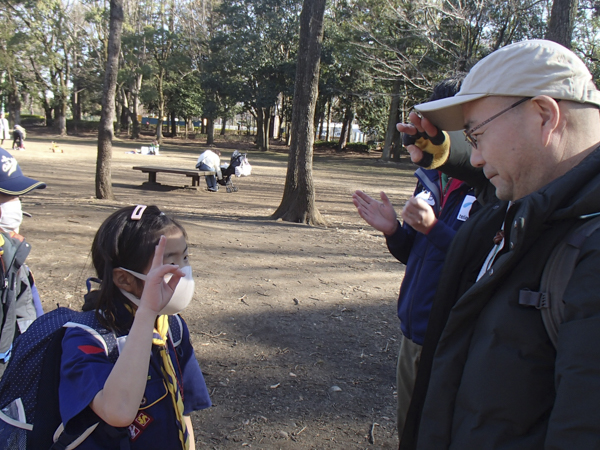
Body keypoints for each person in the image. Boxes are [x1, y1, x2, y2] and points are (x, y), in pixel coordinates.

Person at [396, 39, 600, 450]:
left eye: (476, 134)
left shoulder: (585, 248)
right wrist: (440, 150)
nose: (474, 158)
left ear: (544, 116)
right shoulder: (531, 206)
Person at [353, 76, 481, 439]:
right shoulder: (428, 177)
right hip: (414, 332)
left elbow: (477, 262)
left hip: (452, 337)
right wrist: (394, 230)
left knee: (442, 431)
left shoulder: (490, 183)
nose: (429, 134)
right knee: (409, 426)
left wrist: (434, 228)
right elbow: (415, 252)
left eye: (441, 125)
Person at [59, 205, 211, 448]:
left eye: (185, 257)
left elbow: (181, 409)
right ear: (124, 279)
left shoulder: (172, 327)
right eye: (169, 264)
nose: (183, 273)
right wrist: (147, 312)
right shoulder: (86, 339)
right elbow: (117, 412)